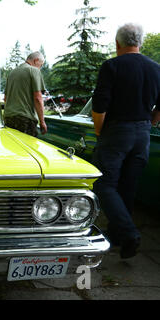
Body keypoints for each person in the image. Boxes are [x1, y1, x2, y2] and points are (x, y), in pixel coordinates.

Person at [92, 23, 160, 259]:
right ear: (139, 42)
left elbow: (100, 105)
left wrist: (100, 132)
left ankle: (129, 233)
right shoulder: (156, 68)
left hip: (116, 131)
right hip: (142, 134)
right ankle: (118, 235)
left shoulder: (112, 66)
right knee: (128, 185)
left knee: (103, 184)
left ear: (117, 43)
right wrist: (150, 123)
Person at [4, 51, 47, 137]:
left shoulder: (12, 73)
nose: (40, 68)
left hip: (8, 118)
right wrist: (42, 122)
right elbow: (38, 98)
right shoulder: (34, 70)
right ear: (36, 60)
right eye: (41, 65)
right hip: (25, 120)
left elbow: (5, 98)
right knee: (27, 148)